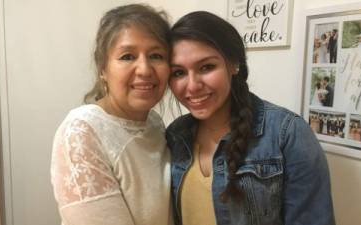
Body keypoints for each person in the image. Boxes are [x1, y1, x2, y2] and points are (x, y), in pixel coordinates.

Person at [166, 11, 335, 225]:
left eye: (207, 67)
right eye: (179, 72)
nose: (192, 85)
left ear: (234, 64)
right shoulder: (175, 135)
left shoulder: (287, 133)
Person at [50, 4, 173, 225]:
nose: (144, 69)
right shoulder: (82, 131)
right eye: (127, 56)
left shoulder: (154, 123)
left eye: (156, 55)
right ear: (103, 69)